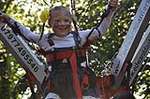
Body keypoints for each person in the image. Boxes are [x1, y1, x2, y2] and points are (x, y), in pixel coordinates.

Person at [0, 0, 118, 99]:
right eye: (57, 21)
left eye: (66, 20)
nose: (62, 24)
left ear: (71, 22)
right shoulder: (44, 39)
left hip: (83, 86)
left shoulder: (79, 37)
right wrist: (8, 19)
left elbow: (101, 29)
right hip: (56, 88)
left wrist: (110, 9)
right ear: (49, 22)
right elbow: (25, 33)